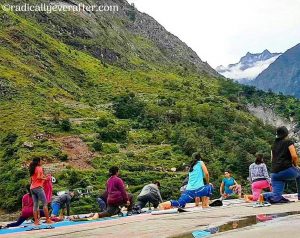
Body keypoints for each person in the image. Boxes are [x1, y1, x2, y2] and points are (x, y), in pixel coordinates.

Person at [263, 126, 300, 203]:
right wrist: (295, 165)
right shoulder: (288, 142)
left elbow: (272, 159)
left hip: (274, 173)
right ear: (286, 134)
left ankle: (263, 196)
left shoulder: (273, 146)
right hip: (286, 169)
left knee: (276, 196)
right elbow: (294, 156)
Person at [29, 157, 53, 225]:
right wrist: (45, 179)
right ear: (38, 162)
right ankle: (48, 219)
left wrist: (43, 177)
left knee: (35, 205)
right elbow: (39, 177)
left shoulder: (32, 168)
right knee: (45, 204)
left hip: (32, 188)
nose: (42, 161)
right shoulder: (39, 168)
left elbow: (34, 178)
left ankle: (36, 221)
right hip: (38, 188)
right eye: (41, 160)